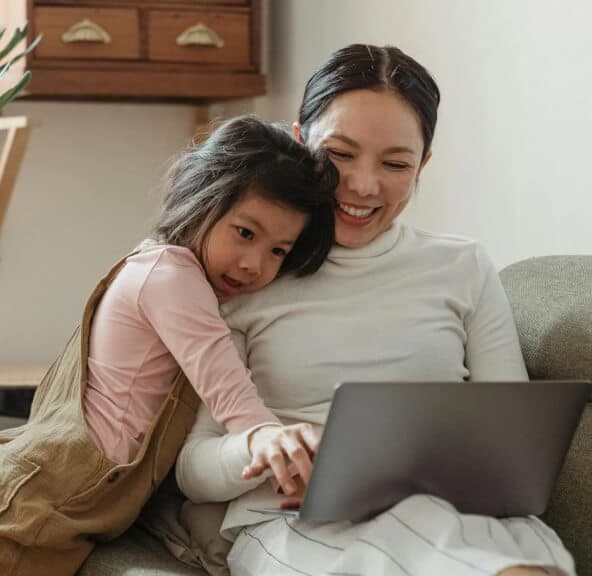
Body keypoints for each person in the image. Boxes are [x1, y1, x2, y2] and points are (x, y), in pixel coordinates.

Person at [175, 45, 575, 576]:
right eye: (339, 154)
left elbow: (518, 448)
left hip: (458, 513)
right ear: (300, 141)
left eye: (395, 163)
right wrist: (264, 446)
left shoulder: (464, 266)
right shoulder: (250, 273)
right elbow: (191, 469)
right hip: (296, 522)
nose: (364, 185)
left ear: (422, 165)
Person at [0, 115, 337, 575]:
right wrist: (274, 442)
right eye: (245, 233)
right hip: (42, 503)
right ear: (202, 202)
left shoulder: (161, 267)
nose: (254, 264)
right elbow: (227, 389)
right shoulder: (171, 277)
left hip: (71, 503)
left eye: (278, 251)